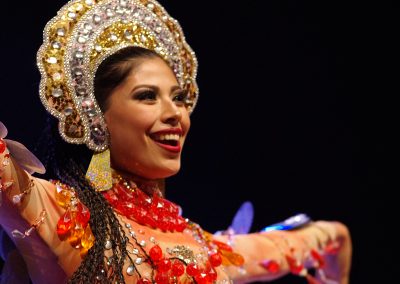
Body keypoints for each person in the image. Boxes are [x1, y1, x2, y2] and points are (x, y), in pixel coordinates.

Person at [0, 0, 352, 283]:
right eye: (148, 96)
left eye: (180, 98)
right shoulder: (63, 216)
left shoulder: (206, 247)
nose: (177, 114)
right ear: (96, 115)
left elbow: (329, 237)